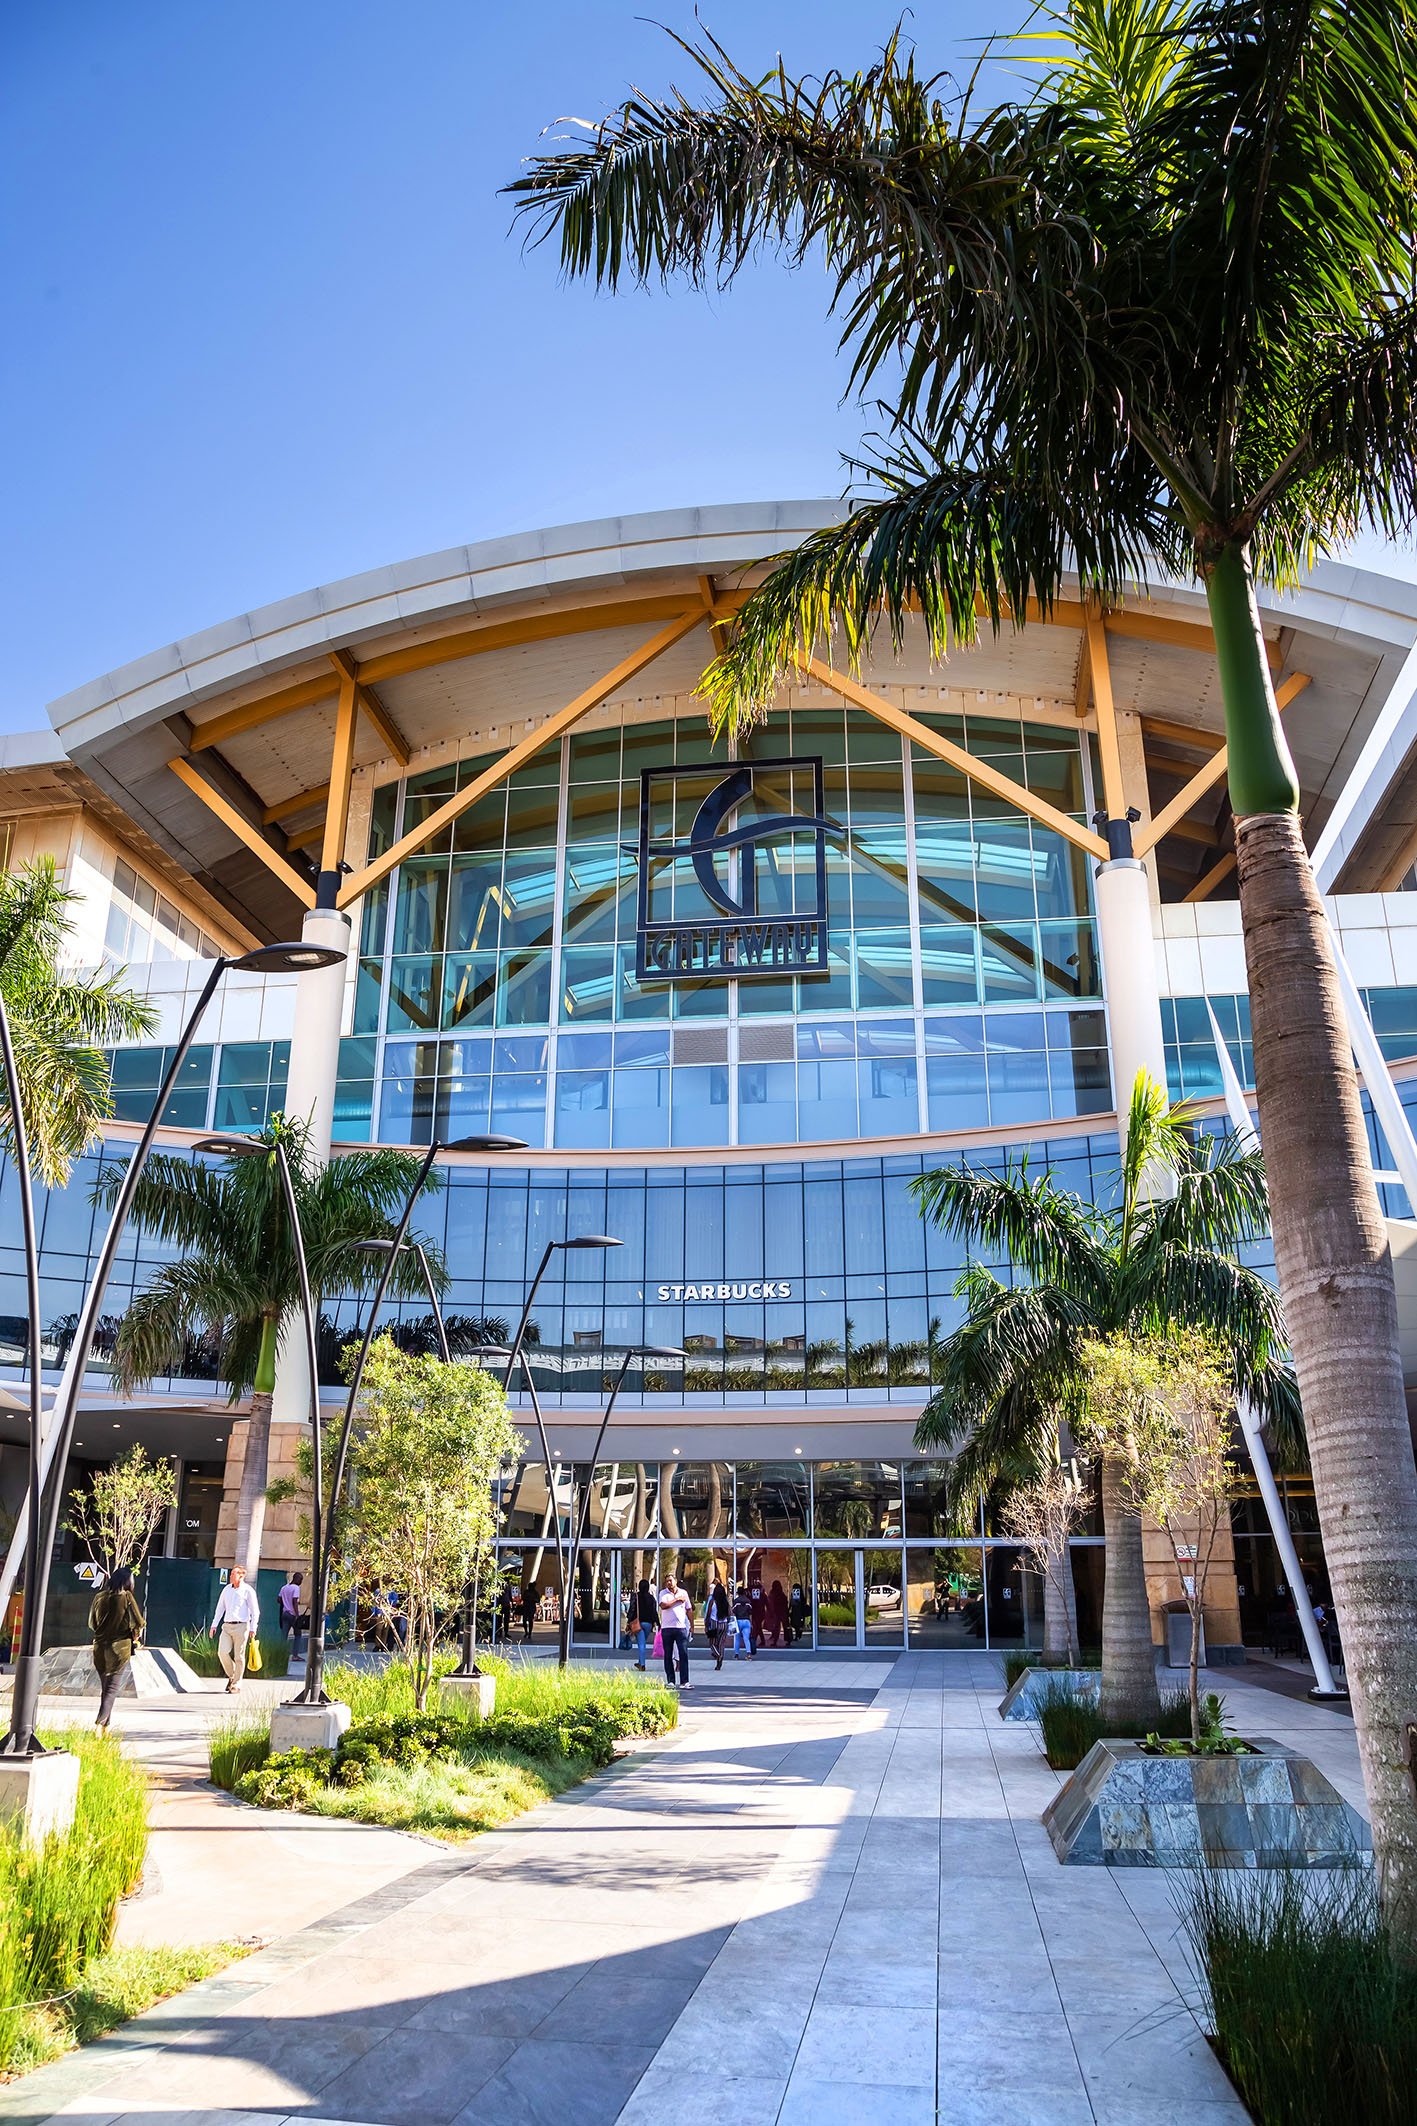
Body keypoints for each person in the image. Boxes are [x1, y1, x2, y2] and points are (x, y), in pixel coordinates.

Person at [89, 1565, 143, 1731]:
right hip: (119, 1649)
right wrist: (135, 1635)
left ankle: (105, 1729)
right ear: (127, 1582)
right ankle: (99, 1725)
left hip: (99, 1648)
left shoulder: (99, 1597)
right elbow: (139, 1622)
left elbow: (92, 1623)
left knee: (106, 1690)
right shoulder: (126, 1597)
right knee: (111, 1690)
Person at [209, 1564, 259, 1693]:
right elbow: (220, 1608)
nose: (231, 1576)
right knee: (222, 1652)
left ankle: (236, 1684)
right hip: (227, 1626)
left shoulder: (248, 1590)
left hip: (242, 1626)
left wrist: (253, 1628)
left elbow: (255, 1611)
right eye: (231, 1573)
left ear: (241, 1576)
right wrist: (214, 1625)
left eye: (233, 1574)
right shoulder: (227, 1589)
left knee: (239, 1656)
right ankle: (233, 1675)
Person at [658, 1571, 691, 1688]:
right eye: (667, 1581)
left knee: (683, 1654)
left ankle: (684, 1681)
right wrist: (676, 1600)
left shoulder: (683, 1593)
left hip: (680, 1628)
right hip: (667, 1629)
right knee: (668, 1655)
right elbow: (663, 1605)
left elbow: (689, 1609)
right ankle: (671, 1681)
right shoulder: (663, 1593)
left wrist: (692, 1625)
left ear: (675, 1581)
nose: (669, 1583)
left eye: (670, 1580)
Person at [704, 1575, 731, 1670]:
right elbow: (729, 1613)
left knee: (712, 1643)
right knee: (721, 1643)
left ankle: (718, 1655)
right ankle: (720, 1660)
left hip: (714, 1623)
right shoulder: (726, 1602)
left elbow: (708, 1613)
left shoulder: (712, 1601)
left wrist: (706, 1625)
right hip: (724, 1624)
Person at [630, 1576, 657, 1668]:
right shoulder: (651, 1598)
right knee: (642, 1642)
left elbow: (632, 1609)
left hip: (638, 1623)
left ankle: (642, 1664)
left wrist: (629, 1621)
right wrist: (657, 1622)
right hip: (648, 1623)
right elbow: (654, 1611)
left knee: (641, 1644)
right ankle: (640, 1662)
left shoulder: (636, 1596)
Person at [731, 1584, 755, 1660]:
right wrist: (751, 1623)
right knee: (746, 1638)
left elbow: (733, 1611)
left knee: (737, 1638)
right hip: (746, 1620)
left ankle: (736, 1655)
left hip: (738, 1621)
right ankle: (748, 1654)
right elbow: (750, 1613)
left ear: (738, 1593)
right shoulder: (748, 1601)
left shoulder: (736, 1601)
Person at [277, 1571, 302, 1642]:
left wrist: (286, 1602)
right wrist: (297, 1615)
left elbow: (278, 1599)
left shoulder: (284, 1587)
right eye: (300, 1580)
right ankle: (296, 1649)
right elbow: (295, 1601)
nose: (301, 1582)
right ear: (296, 1579)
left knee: (284, 1635)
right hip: (292, 1614)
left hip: (285, 1614)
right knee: (298, 1634)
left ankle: (282, 1648)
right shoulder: (296, 1588)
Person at [764, 1579, 788, 1648]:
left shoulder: (773, 1593)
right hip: (782, 1612)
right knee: (784, 1626)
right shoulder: (781, 1594)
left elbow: (770, 1602)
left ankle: (775, 1641)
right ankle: (787, 1639)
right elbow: (785, 1603)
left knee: (777, 1626)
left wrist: (771, 1611)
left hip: (776, 1612)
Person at [498, 1579, 515, 1644]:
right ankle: (501, 1632)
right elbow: (510, 1596)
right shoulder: (504, 1587)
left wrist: (512, 1603)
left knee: (504, 1619)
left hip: (504, 1604)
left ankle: (504, 1632)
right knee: (502, 1619)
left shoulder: (506, 1587)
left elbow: (510, 1596)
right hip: (503, 1604)